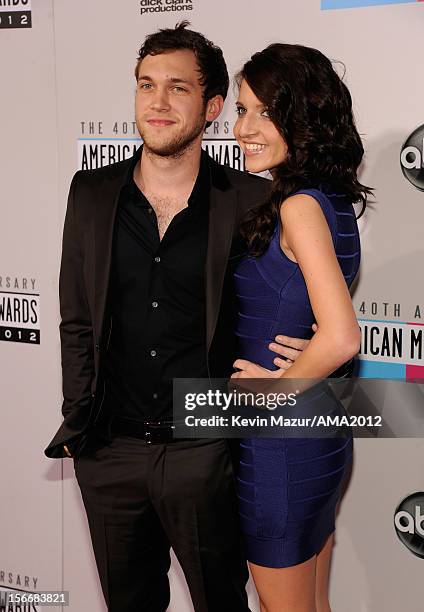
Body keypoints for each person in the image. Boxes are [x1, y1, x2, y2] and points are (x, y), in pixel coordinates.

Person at [43, 23, 318, 612]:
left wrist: (306, 357)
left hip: (206, 445)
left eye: (178, 88)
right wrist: (79, 422)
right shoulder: (90, 192)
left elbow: (297, 297)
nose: (158, 103)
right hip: (109, 450)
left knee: (221, 602)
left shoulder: (254, 200)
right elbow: (75, 318)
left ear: (213, 107)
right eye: (146, 85)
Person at [231, 44, 371, 612]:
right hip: (318, 430)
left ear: (303, 120)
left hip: (281, 445)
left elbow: (341, 336)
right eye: (241, 110)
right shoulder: (329, 200)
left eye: (266, 113)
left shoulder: (298, 208)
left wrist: (272, 389)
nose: (245, 128)